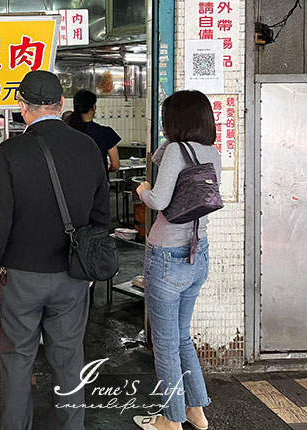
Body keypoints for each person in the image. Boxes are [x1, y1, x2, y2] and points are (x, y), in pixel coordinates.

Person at [0, 71, 110, 430]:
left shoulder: (11, 152)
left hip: (20, 277)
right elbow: (101, 215)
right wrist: (90, 272)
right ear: (61, 104)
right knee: (69, 360)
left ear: (22, 107)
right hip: (72, 276)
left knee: (17, 360)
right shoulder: (87, 148)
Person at [132, 91, 219, 430]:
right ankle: (196, 411)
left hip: (167, 257)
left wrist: (140, 190)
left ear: (175, 121)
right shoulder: (210, 151)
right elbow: (162, 159)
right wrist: (170, 144)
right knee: (182, 338)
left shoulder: (175, 155)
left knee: (166, 346)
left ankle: (171, 420)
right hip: (199, 255)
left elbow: (157, 200)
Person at [65, 89, 121, 173]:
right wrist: (105, 172)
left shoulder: (67, 131)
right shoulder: (106, 133)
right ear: (94, 107)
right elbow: (115, 165)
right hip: (99, 183)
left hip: (72, 183)